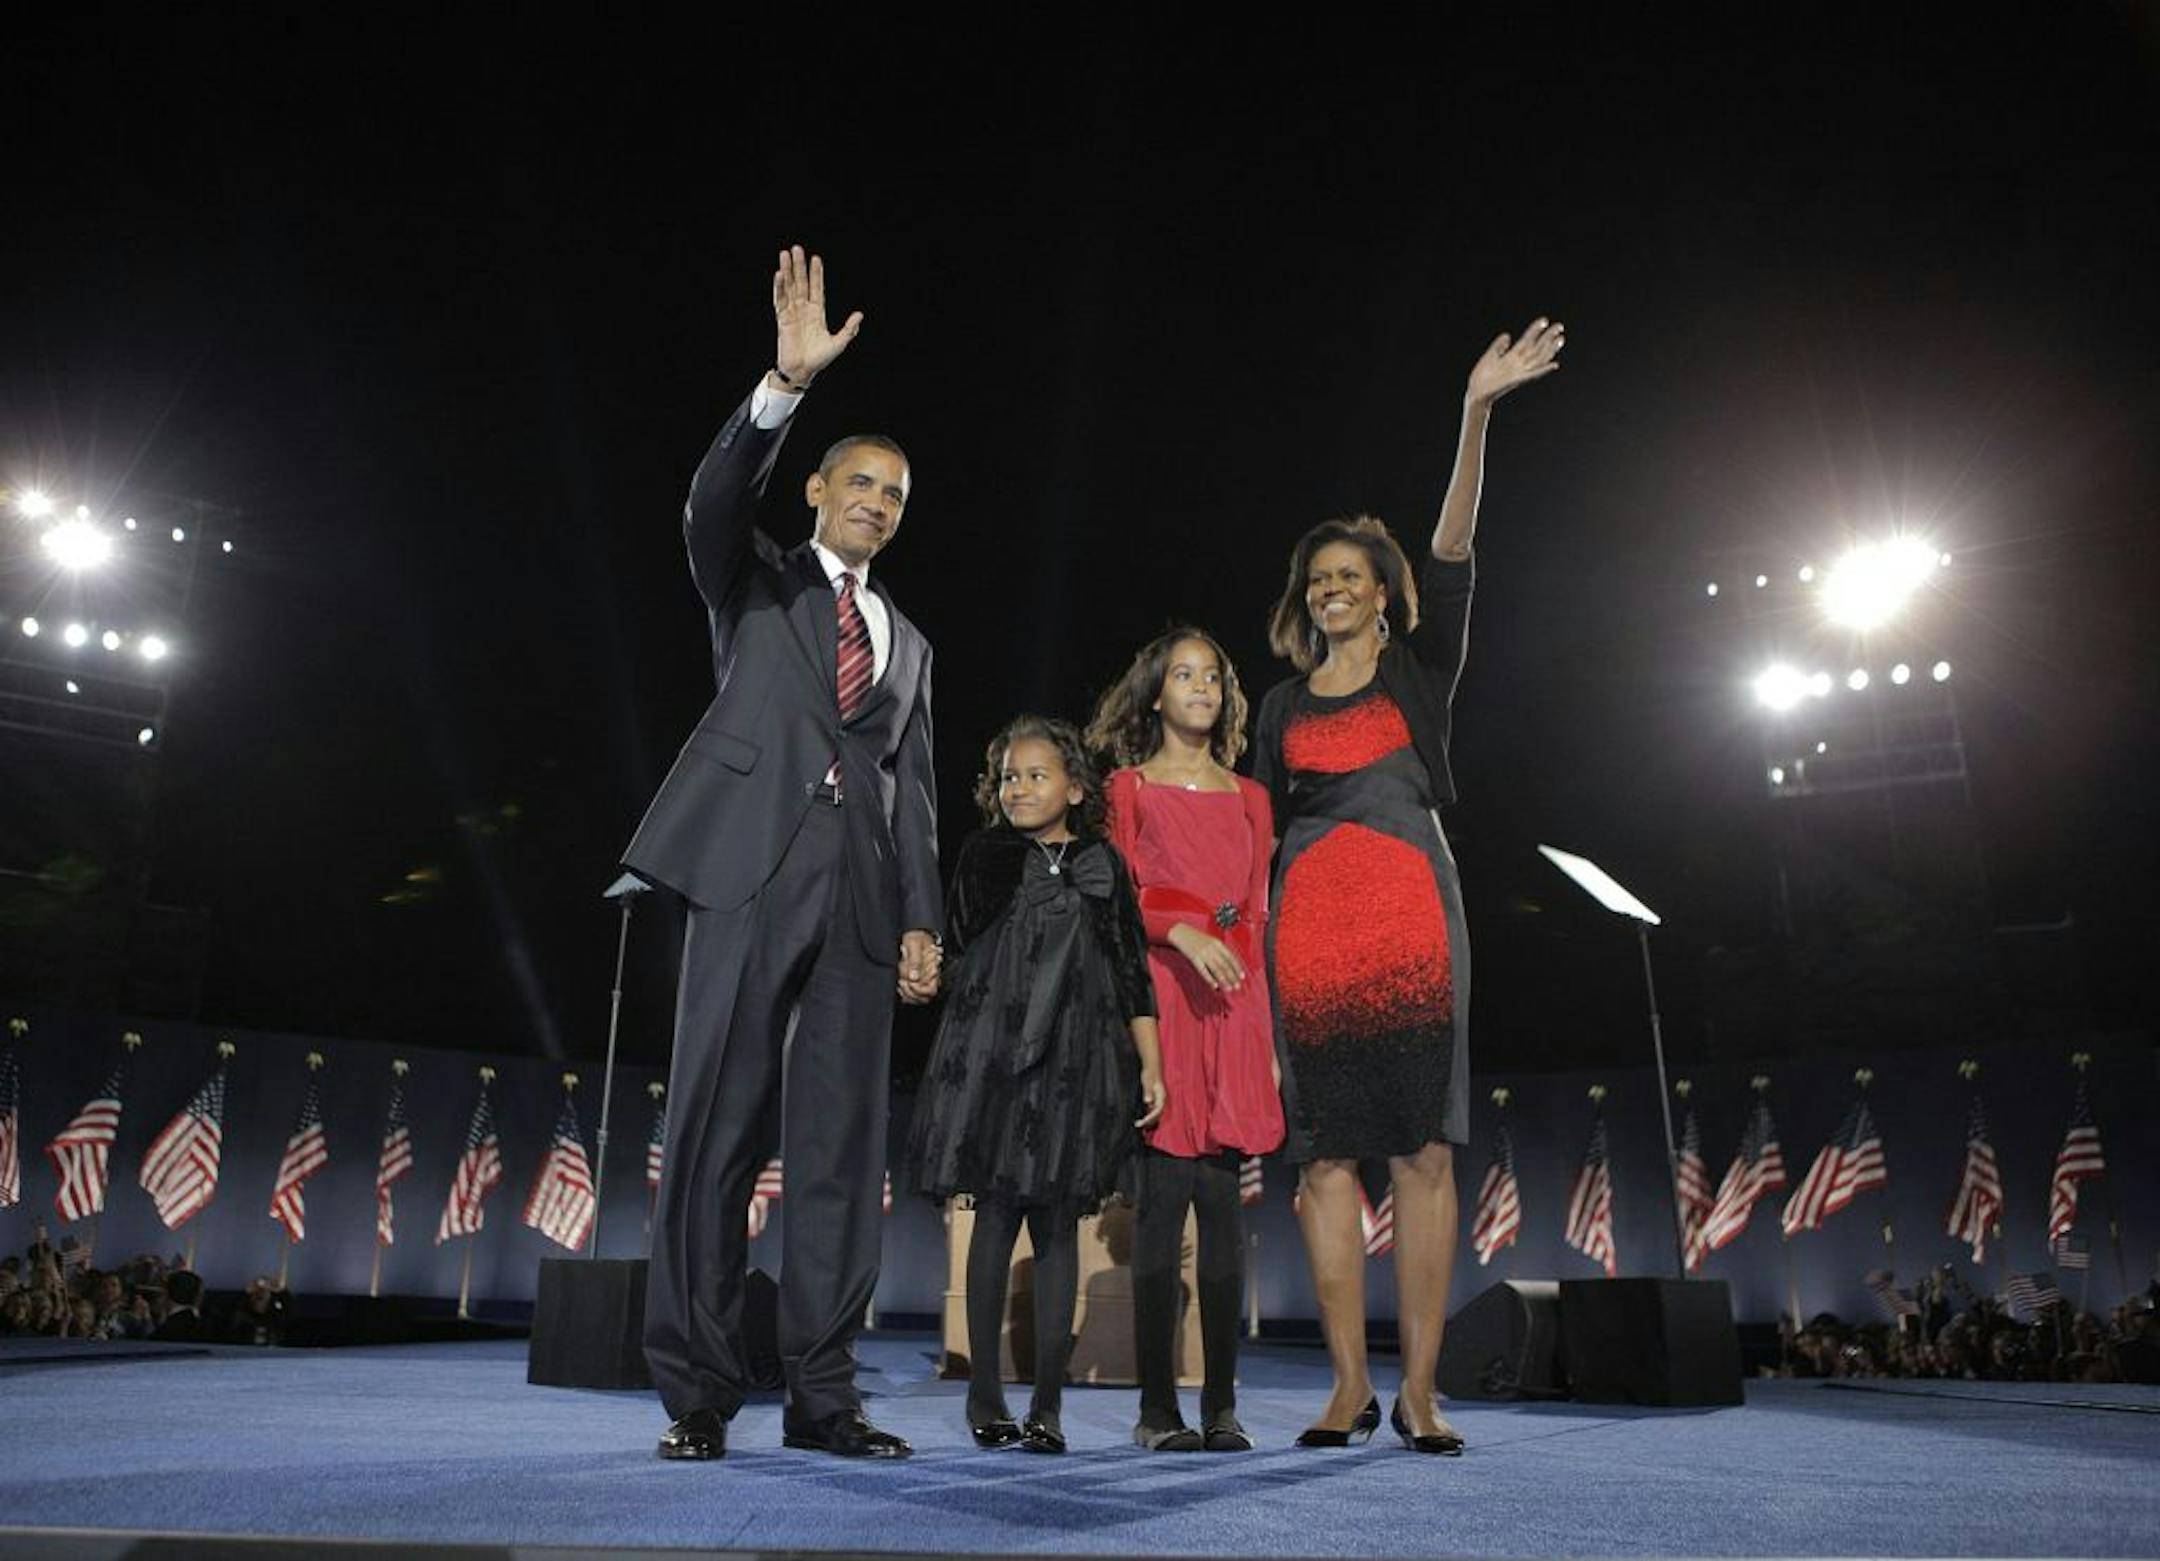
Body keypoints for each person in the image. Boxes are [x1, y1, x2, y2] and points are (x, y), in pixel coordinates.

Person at [622, 246, 943, 1463]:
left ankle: (825, 1399)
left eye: (896, 493)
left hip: (862, 906)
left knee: (837, 1158)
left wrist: (920, 918)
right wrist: (781, 386)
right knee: (715, 1132)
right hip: (750, 876)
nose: (876, 500)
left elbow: (911, 792)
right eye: (859, 481)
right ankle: (699, 1393)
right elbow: (709, 504)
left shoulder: (910, 643)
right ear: (816, 488)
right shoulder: (750, 579)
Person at [1252, 318, 1564, 1455]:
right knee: (1325, 1156)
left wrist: (1475, 411)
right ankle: (1346, 1390)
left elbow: (1453, 547)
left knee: (1423, 1153)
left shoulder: (1426, 671)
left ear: (1384, 596)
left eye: (1353, 575)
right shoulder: (1278, 710)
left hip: (1415, 923)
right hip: (1311, 936)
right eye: (1320, 576)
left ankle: (1422, 1392)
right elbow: (1256, 836)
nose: (1335, 586)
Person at [907, 716, 1166, 1455]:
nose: (1019, 787)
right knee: (993, 1219)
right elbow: (953, 948)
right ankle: (985, 1396)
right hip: (991, 1057)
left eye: (1036, 774)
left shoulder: (1103, 864)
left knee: (1057, 1228)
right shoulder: (984, 854)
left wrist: (1150, 1063)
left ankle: (1048, 1404)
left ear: (1075, 787)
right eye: (1009, 776)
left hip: (1075, 1066)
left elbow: (1129, 970)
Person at [1089, 628, 1284, 1452]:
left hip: (1235, 1007)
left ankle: (1224, 1406)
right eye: (1184, 674)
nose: (1201, 685)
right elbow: (1111, 900)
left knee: (1225, 1220)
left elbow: (1257, 915)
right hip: (1163, 1002)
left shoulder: (1251, 798)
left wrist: (1265, 1036)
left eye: (1213, 674)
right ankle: (1158, 1410)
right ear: (1156, 694)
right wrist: (1178, 930)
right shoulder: (1125, 789)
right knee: (1164, 1215)